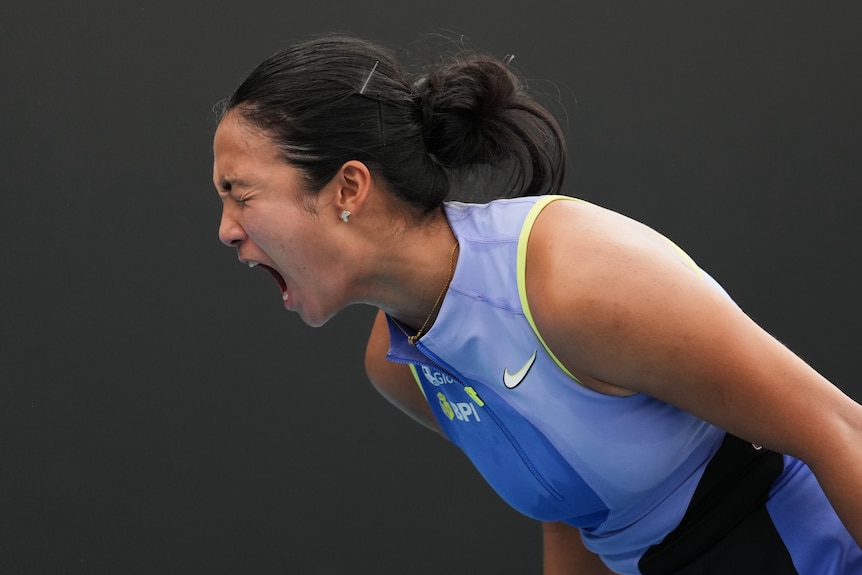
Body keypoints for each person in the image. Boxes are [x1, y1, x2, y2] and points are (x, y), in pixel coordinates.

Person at [212, 34, 862, 574]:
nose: (226, 228)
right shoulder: (399, 366)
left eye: (240, 192)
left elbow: (839, 432)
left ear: (347, 187)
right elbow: (571, 507)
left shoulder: (570, 277)